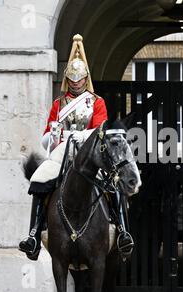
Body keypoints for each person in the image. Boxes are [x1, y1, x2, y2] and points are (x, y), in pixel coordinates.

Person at [19, 34, 132, 260]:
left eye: (79, 79)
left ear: (86, 78)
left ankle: (122, 231)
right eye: (71, 79)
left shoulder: (96, 101)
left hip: (89, 153)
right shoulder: (58, 104)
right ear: (67, 79)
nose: (76, 83)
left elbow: (100, 130)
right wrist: (52, 135)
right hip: (62, 151)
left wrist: (79, 134)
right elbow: (47, 138)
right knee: (40, 179)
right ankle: (33, 234)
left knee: (113, 182)